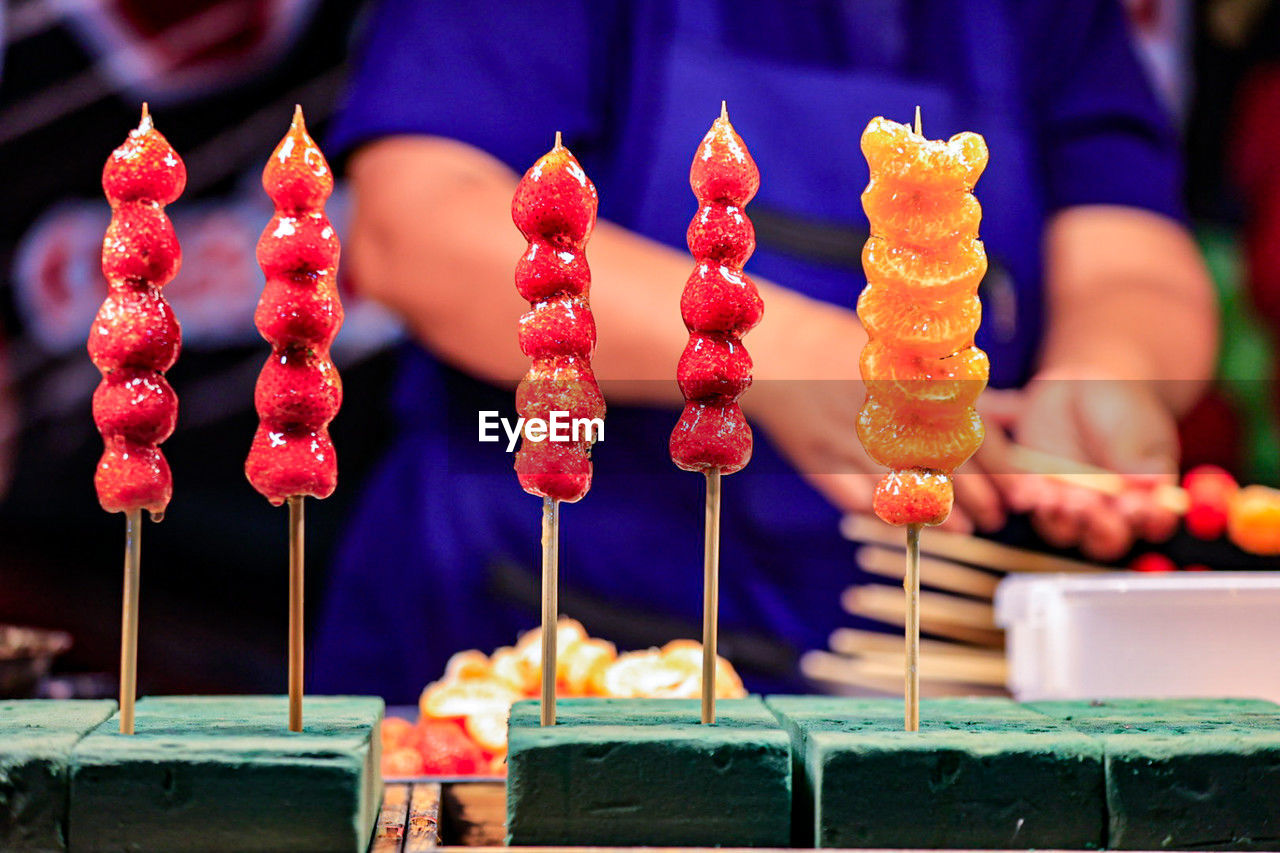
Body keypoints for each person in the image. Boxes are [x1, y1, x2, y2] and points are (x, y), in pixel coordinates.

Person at [312, 0, 1216, 700]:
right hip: (528, 640)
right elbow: (418, 228)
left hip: (912, 679)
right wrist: (769, 350)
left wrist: (1108, 378)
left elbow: (1131, 255)